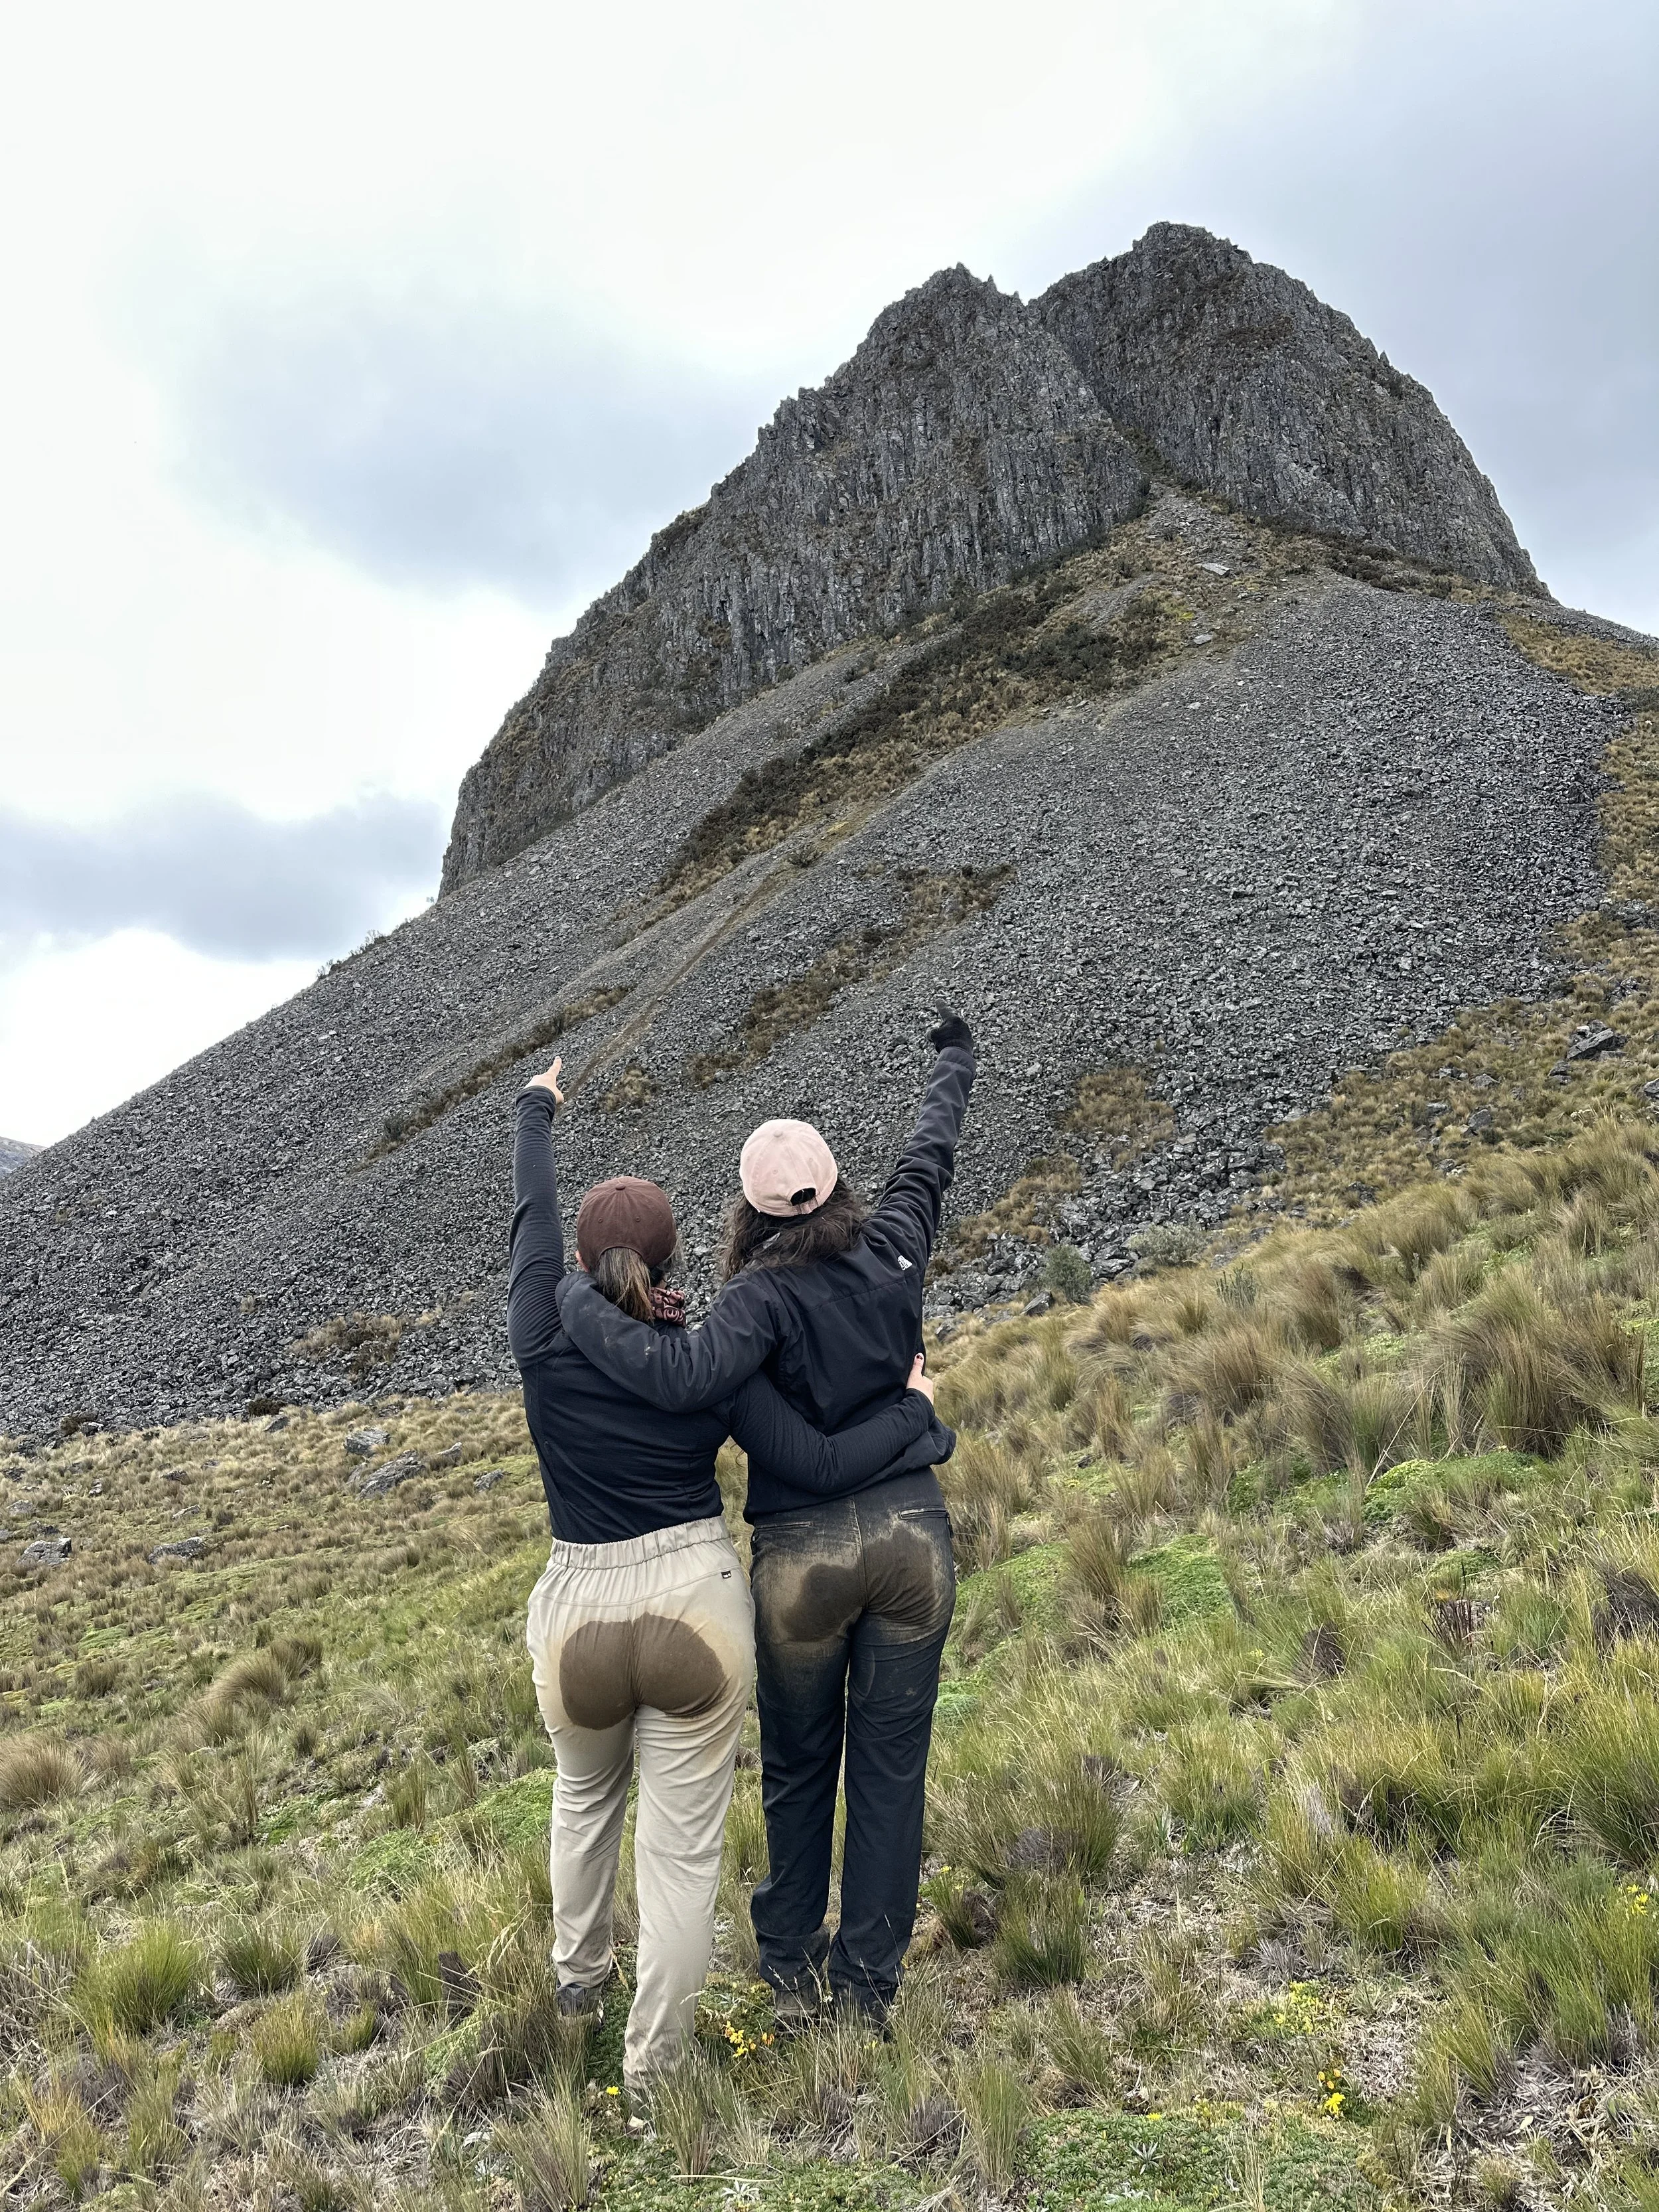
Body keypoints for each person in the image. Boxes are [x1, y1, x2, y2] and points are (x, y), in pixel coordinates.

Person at [508, 1055, 946, 2098]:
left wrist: (537, 1106)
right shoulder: (714, 1348)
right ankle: (661, 2070)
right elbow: (804, 1448)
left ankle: (583, 1983)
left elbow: (530, 1217)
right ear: (667, 1264)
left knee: (584, 1794)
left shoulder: (541, 1319)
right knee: (682, 1852)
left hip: (579, 1602)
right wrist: (918, 1413)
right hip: (696, 1603)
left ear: (579, 1257)